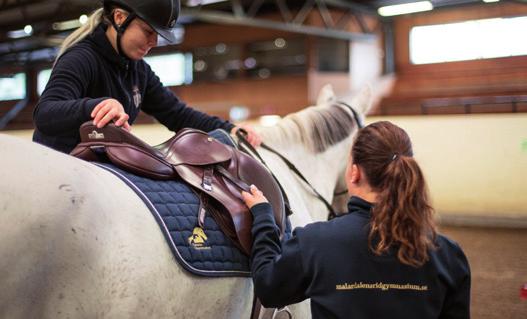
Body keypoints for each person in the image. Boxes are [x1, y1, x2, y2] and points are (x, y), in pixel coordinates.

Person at [242, 121, 471, 319]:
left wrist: (264, 217)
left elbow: (268, 287)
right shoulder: (449, 254)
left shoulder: (316, 241)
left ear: (354, 172)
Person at [33, 0, 261, 154]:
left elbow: (177, 114)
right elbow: (44, 113)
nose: (154, 42)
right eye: (148, 32)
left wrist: (229, 129)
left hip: (98, 174)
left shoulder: (139, 70)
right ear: (120, 18)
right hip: (58, 168)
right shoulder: (81, 58)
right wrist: (96, 106)